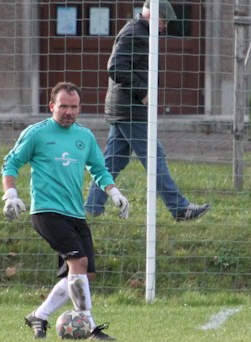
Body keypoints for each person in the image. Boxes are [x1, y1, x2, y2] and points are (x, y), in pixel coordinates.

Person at [2, 81, 130, 341]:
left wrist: (114, 192)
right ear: (52, 106)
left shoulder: (85, 137)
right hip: (46, 211)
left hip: (75, 214)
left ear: (80, 108)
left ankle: (39, 315)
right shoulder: (37, 133)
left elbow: (99, 169)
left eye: (74, 107)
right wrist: (10, 194)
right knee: (78, 263)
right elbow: (11, 163)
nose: (69, 112)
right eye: (63, 106)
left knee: (85, 274)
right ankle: (89, 327)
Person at [84, 0, 210, 221]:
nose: (164, 27)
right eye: (163, 21)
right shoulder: (134, 33)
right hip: (130, 109)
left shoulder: (143, 32)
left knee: (113, 161)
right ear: (151, 14)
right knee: (154, 156)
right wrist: (142, 91)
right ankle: (180, 208)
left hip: (126, 108)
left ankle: (92, 208)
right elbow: (115, 67)